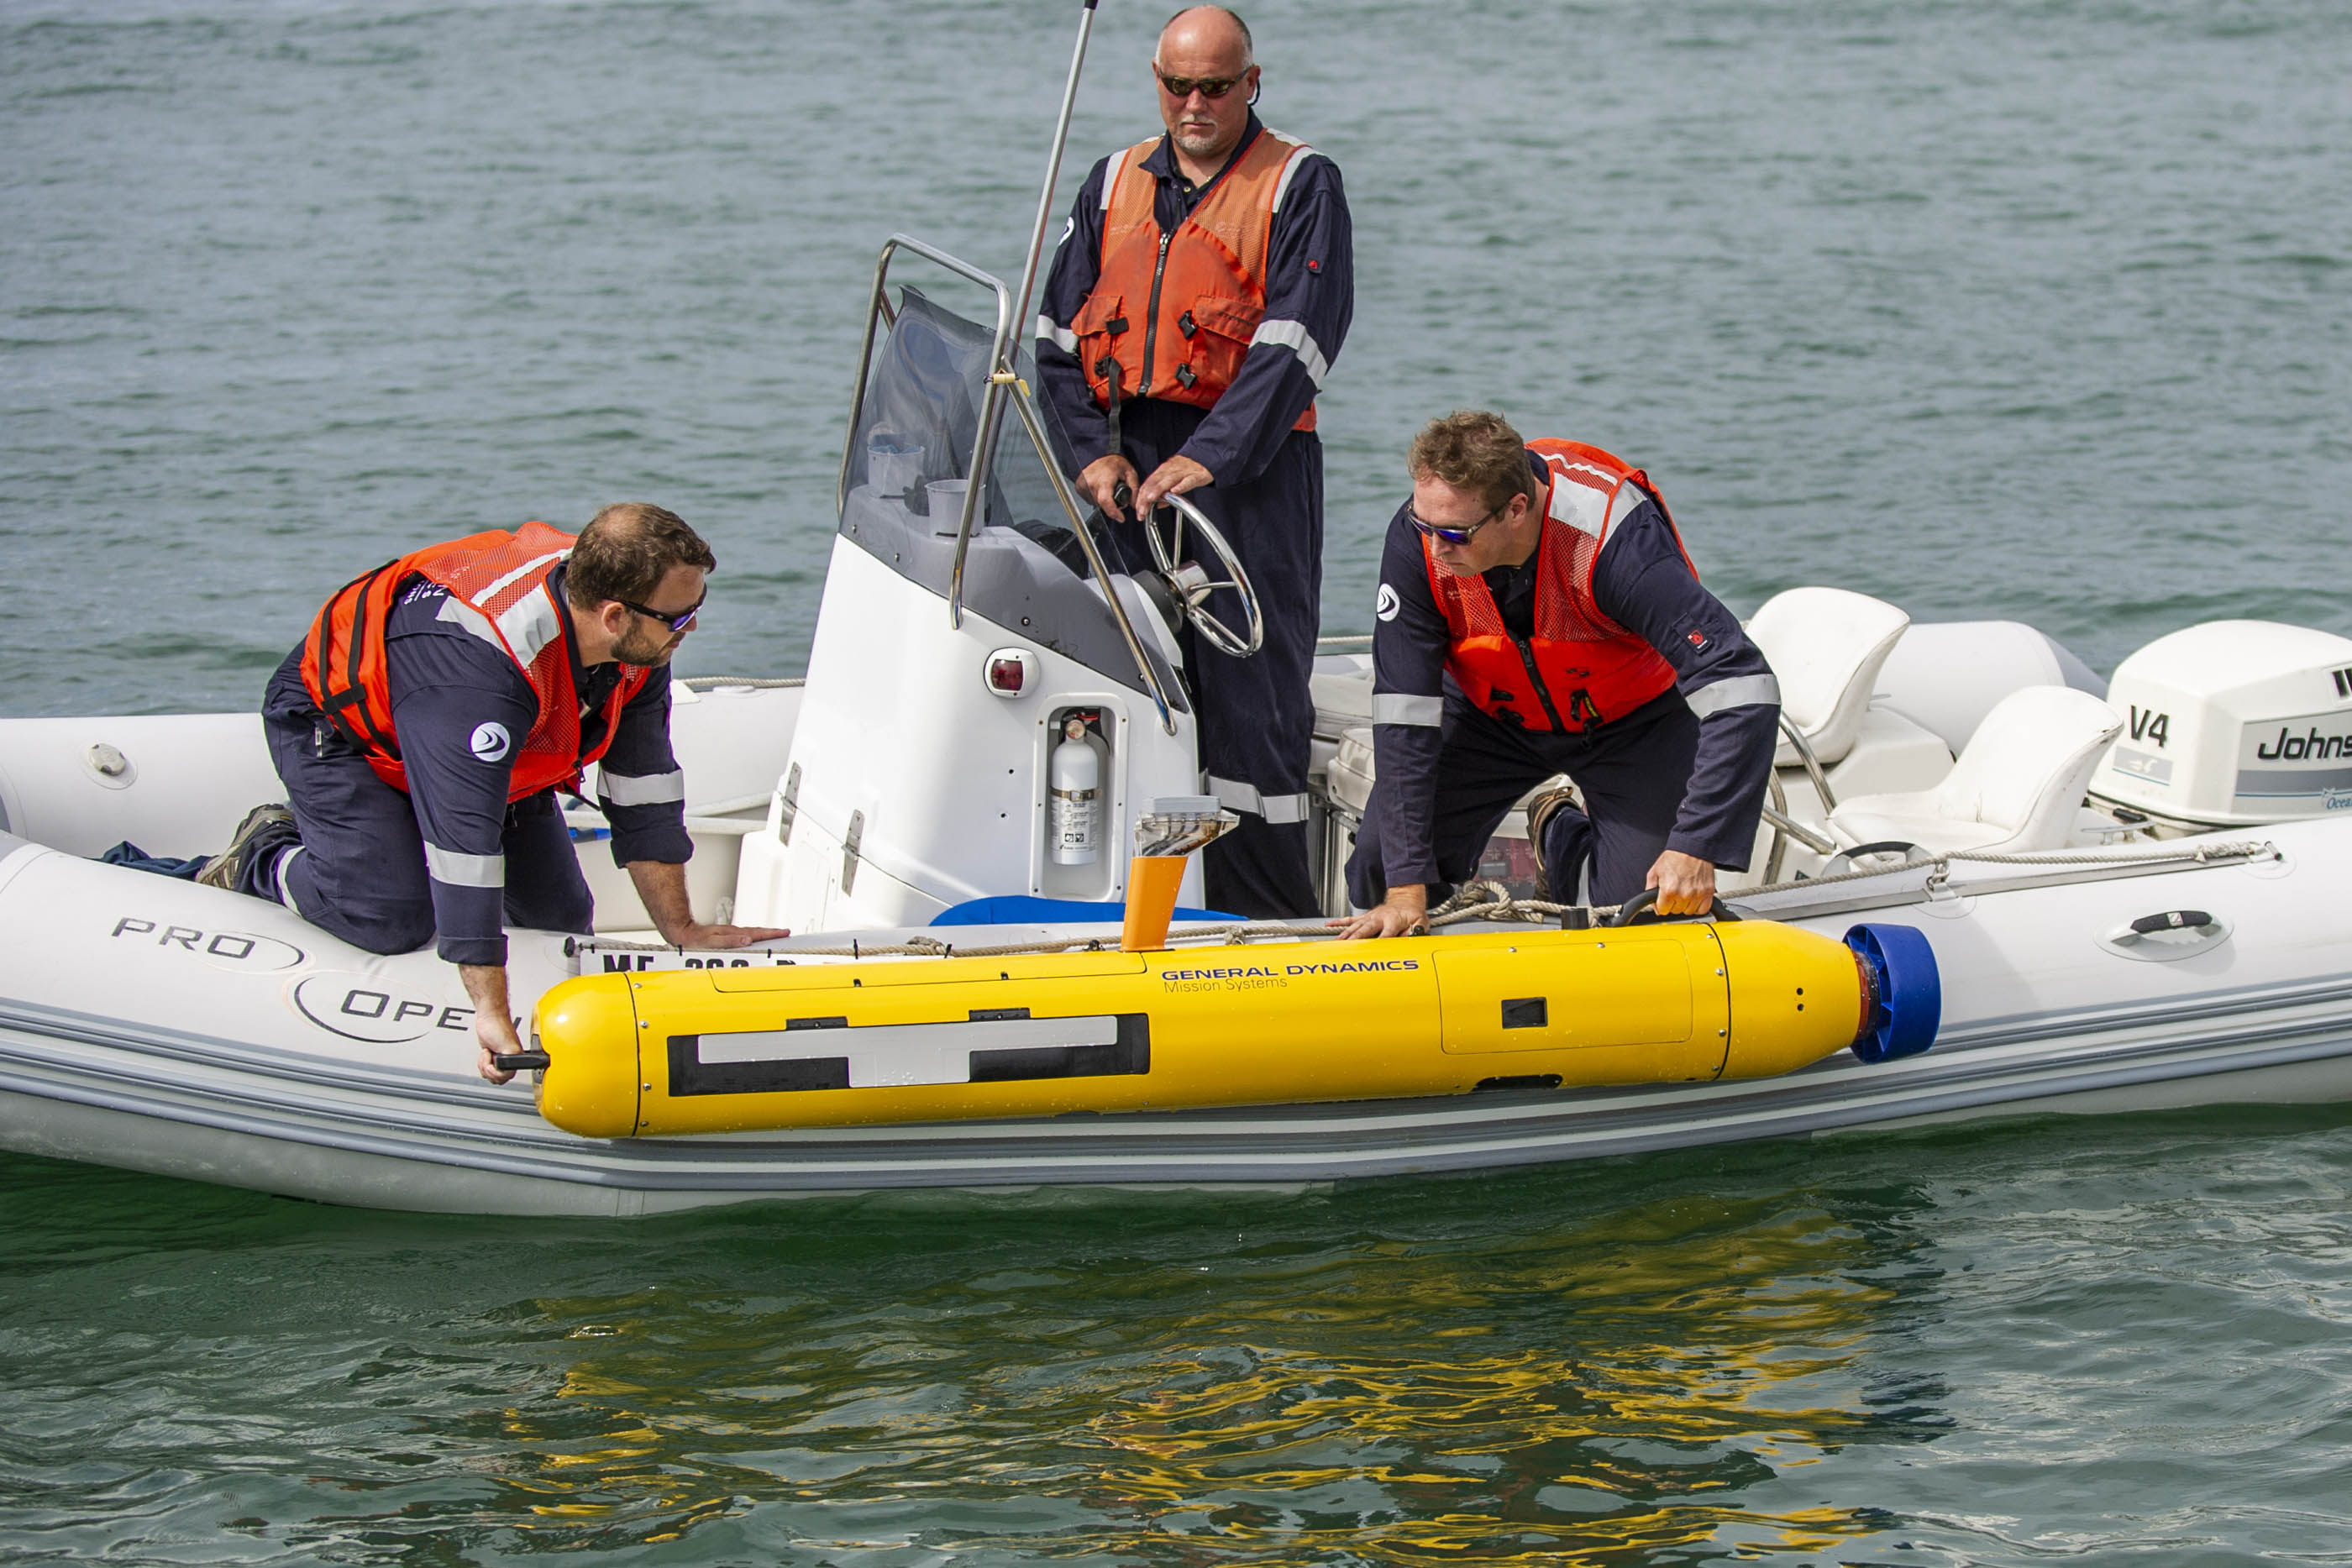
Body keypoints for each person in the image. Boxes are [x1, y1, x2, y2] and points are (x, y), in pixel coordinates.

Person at [201, 503, 787, 1080]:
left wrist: (680, 928)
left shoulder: (639, 637)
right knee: (388, 916)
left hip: (492, 738)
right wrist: (489, 1011)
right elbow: (465, 848)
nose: (692, 627)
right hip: (343, 731)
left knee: (559, 917)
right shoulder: (480, 667)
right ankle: (264, 852)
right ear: (614, 616)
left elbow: (643, 782)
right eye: (682, 617)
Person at [1034, 3, 1352, 918]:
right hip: (1124, 470)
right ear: (1156, 80)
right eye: (1179, 85)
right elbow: (1056, 339)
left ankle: (1268, 919)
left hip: (1248, 476)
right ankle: (1129, 903)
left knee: (1254, 706)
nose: (1195, 103)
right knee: (1121, 679)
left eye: (1216, 85)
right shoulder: (1108, 183)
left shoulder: (1300, 184)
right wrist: (1092, 455)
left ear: (1252, 84)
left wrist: (1209, 458)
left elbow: (1300, 343)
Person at [1336, 411, 1781, 939]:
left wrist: (1696, 845)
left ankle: (1562, 839)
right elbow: (1403, 711)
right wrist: (1406, 891)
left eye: (1454, 532)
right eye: (1423, 525)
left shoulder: (1613, 538)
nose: (1435, 549)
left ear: (1516, 509)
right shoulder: (1422, 538)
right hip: (1491, 716)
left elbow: (1743, 683)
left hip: (1631, 723)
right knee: (1381, 869)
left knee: (1647, 920)